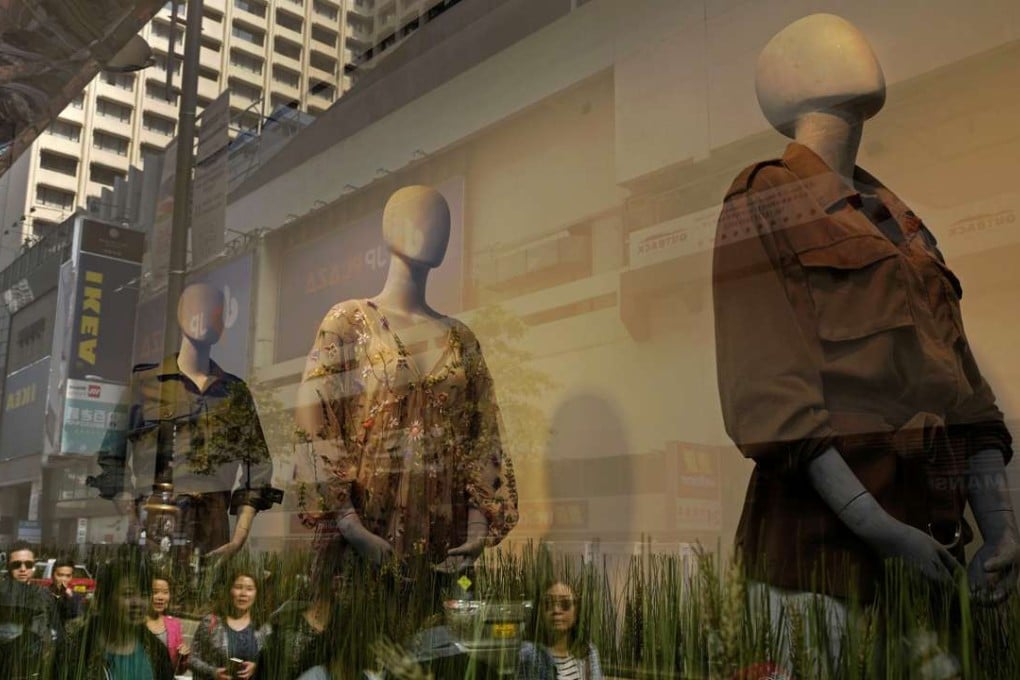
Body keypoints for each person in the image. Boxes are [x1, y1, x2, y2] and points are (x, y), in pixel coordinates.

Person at [712, 12, 1018, 672]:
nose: (847, 37)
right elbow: (772, 395)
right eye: (815, 39)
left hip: (932, 555)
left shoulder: (902, 225)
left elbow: (967, 396)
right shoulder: (767, 194)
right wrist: (880, 529)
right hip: (819, 567)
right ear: (782, 85)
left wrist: (1000, 524)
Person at [294, 185, 519, 574]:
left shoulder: (461, 339)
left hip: (443, 544)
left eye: (443, 223)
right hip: (363, 537)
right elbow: (314, 424)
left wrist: (477, 528)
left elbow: (484, 438)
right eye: (421, 218)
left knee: (436, 633)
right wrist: (349, 523)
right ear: (389, 228)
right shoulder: (348, 322)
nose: (435, 230)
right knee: (365, 630)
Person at [90, 283, 279, 567]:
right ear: (181, 314)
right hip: (156, 523)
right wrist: (135, 520)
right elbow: (110, 460)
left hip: (214, 526)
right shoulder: (145, 385)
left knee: (206, 607)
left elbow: (259, 467)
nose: (205, 316)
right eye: (197, 307)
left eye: (215, 311)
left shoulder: (234, 393)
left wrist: (239, 538)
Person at [55, 551, 175, 680]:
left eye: (144, 594)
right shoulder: (75, 650)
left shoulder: (157, 653)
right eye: (128, 594)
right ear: (106, 599)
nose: (138, 602)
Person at [190, 568, 271, 680]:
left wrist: (256, 667)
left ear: (257, 594)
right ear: (229, 591)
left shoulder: (264, 628)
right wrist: (213, 672)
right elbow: (192, 659)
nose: (243, 593)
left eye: (249, 589)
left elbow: (271, 664)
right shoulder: (211, 622)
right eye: (238, 587)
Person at [518, 581, 603, 680]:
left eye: (565, 604)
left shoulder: (589, 652)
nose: (556, 611)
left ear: (576, 612)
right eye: (548, 604)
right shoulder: (529, 655)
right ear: (540, 612)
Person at [147, 574, 190, 673]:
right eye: (155, 592)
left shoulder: (175, 625)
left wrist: (183, 656)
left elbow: (179, 670)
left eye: (165, 592)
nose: (160, 597)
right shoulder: (137, 623)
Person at [48, 558, 84, 627]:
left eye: (68, 576)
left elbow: (77, 621)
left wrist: (70, 598)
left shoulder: (75, 598)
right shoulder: (42, 593)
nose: (63, 579)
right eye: (60, 575)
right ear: (52, 575)